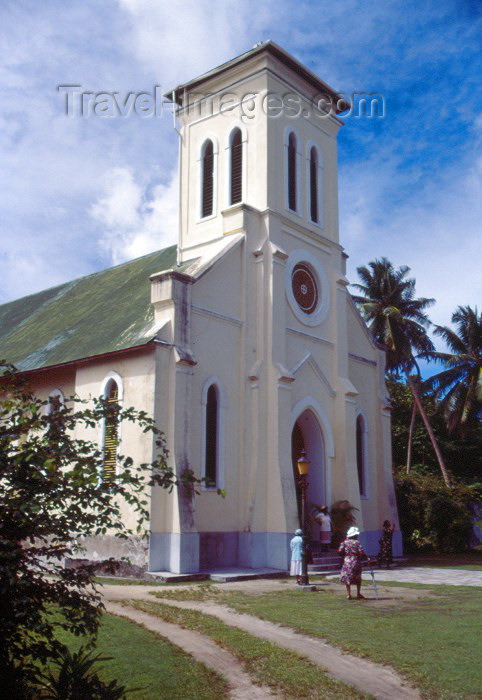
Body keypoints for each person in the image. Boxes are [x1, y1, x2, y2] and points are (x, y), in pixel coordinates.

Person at [338, 526, 368, 600]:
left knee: (347, 577)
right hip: (356, 561)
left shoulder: (344, 542)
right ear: (355, 535)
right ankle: (358, 593)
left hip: (347, 561)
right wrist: (366, 557)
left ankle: (349, 594)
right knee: (357, 577)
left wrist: (346, 555)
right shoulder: (357, 543)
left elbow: (340, 551)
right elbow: (361, 552)